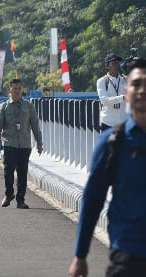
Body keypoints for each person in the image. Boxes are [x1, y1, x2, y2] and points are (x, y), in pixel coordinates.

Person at [69, 58, 146, 277]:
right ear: (127, 92)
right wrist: (80, 255)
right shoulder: (113, 142)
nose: (142, 91)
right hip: (127, 250)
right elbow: (92, 199)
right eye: (136, 84)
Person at [0, 79, 43, 209]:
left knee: (22, 172)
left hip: (24, 144)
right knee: (8, 170)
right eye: (15, 89)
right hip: (9, 143)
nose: (18, 91)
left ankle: (21, 199)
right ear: (9, 90)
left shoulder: (29, 106)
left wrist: (39, 142)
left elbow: (35, 125)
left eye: (19, 89)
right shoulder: (4, 106)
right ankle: (9, 194)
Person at [98, 53, 128, 131]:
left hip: (123, 122)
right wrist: (123, 97)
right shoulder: (102, 81)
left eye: (118, 63)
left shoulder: (125, 80)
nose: (117, 65)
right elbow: (104, 101)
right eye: (114, 63)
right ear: (107, 66)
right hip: (108, 123)